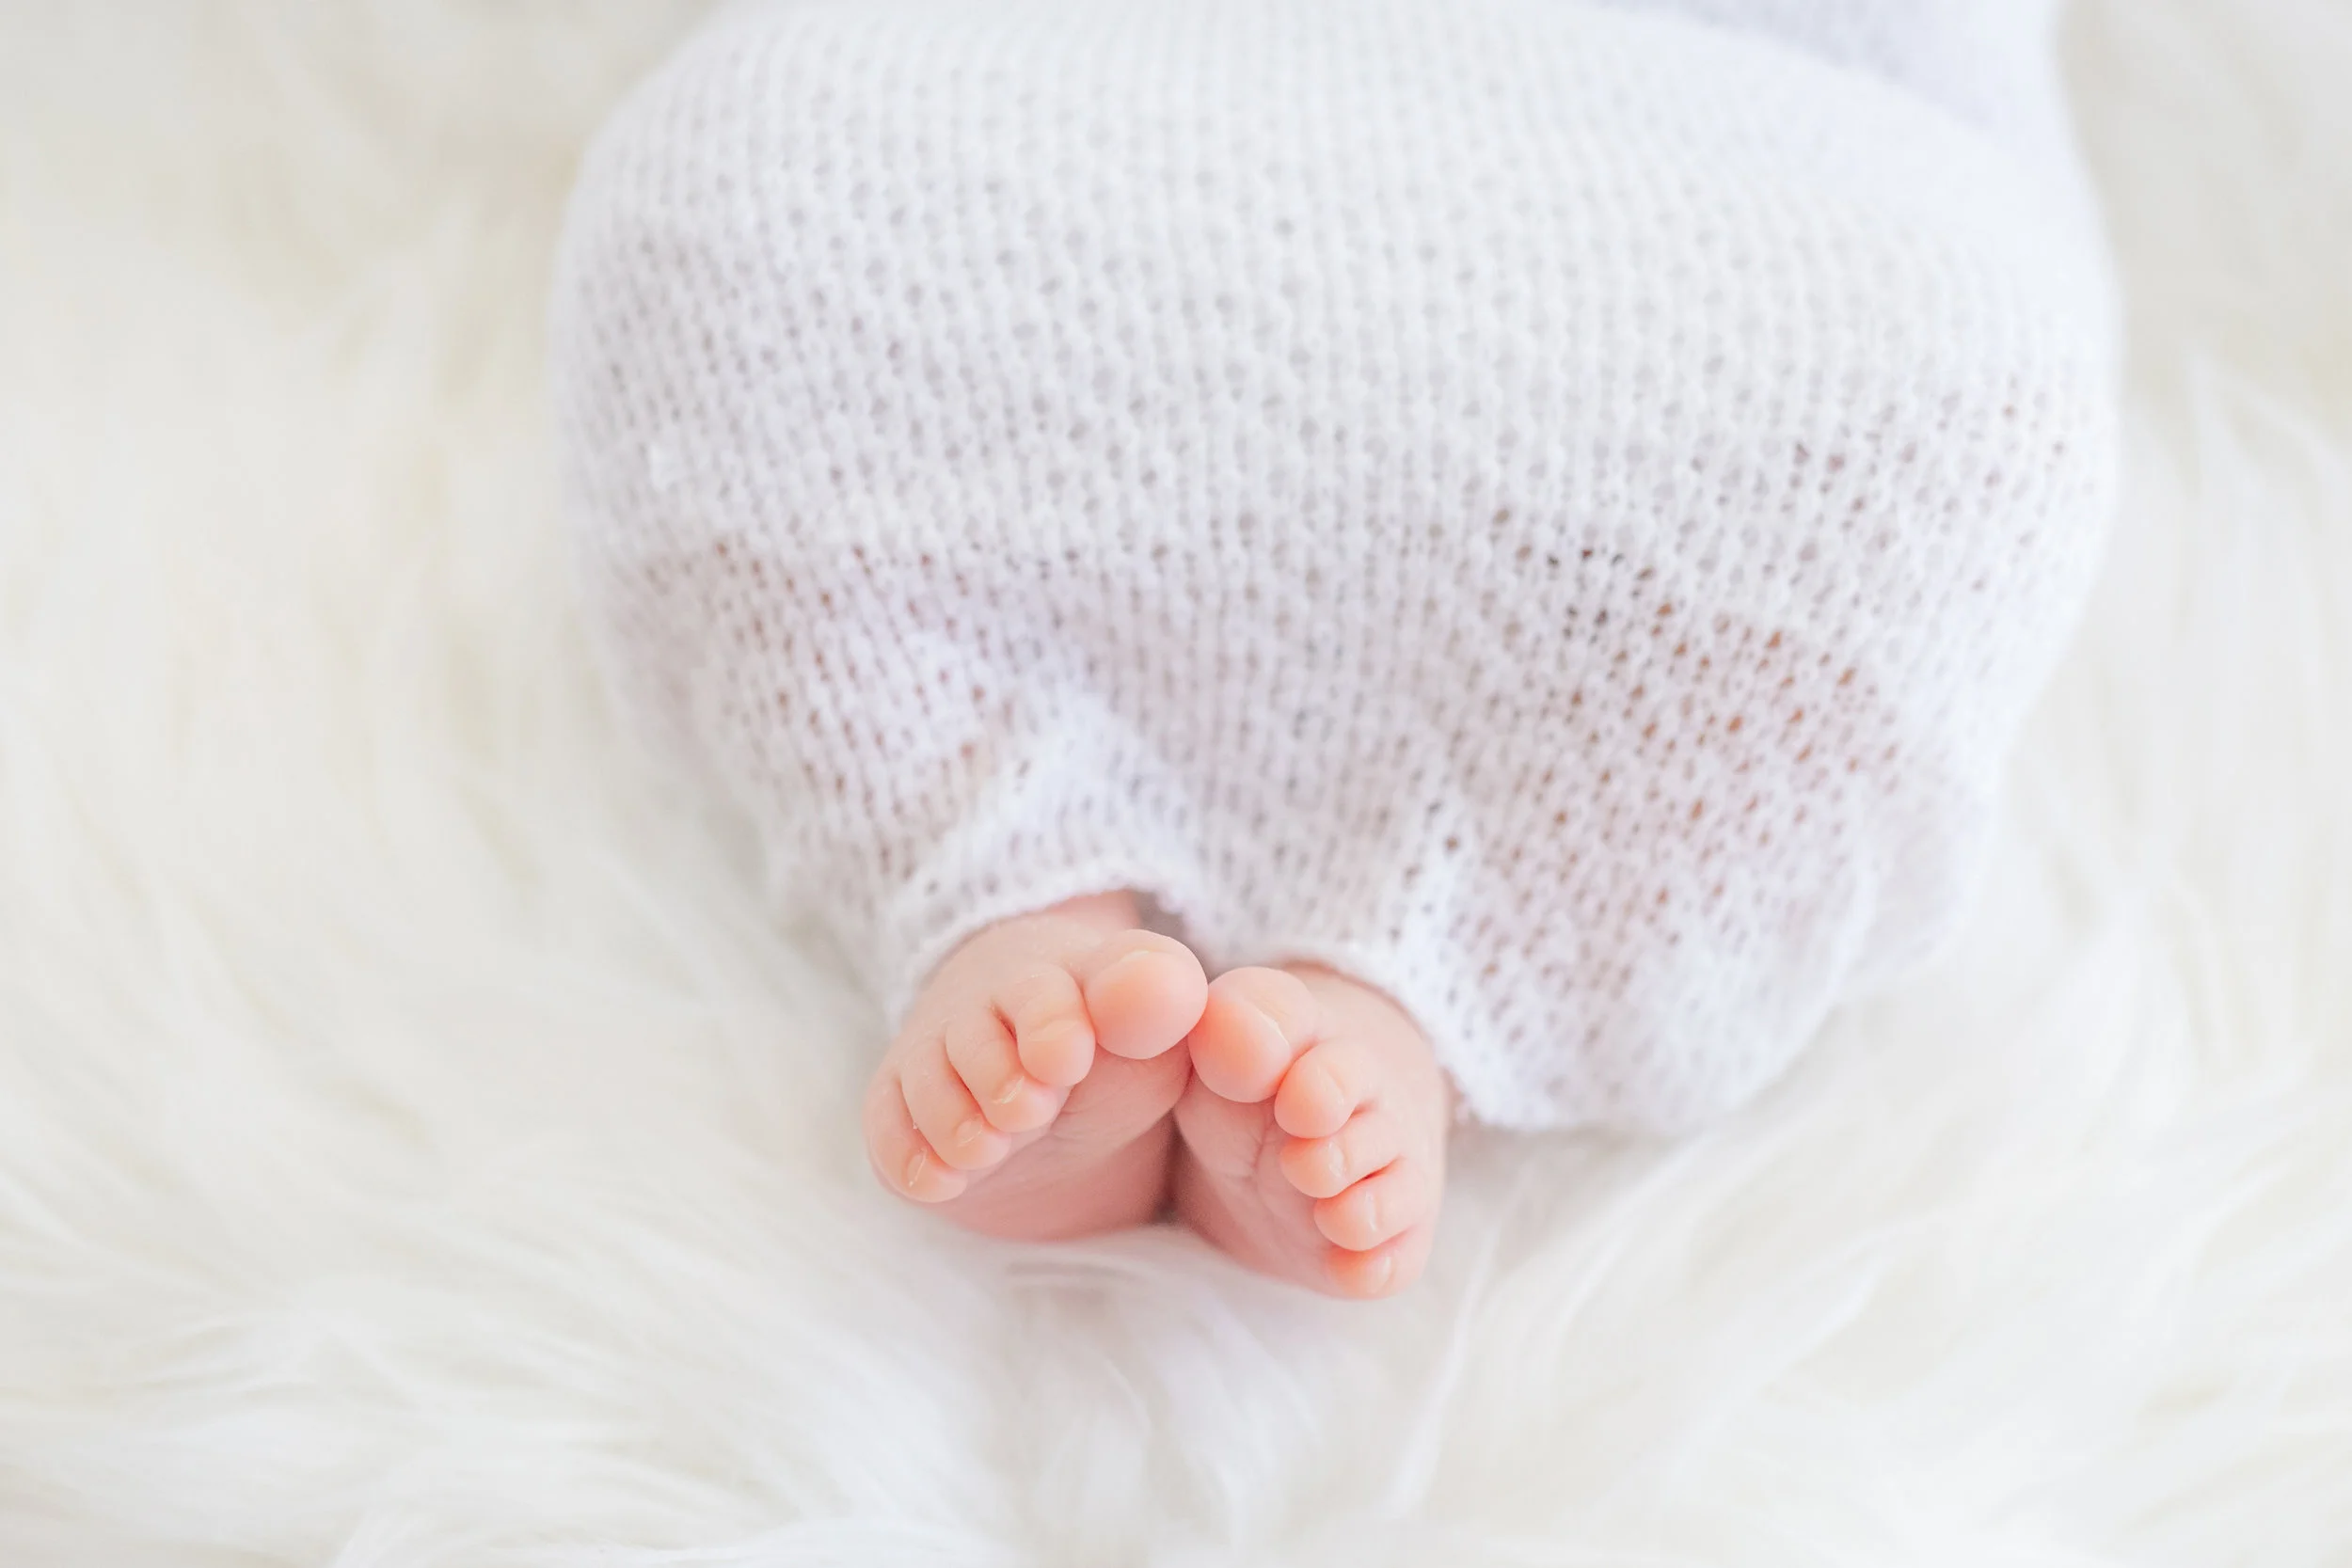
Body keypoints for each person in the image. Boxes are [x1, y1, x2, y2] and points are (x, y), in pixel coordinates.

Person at [549, 0, 2119, 1297]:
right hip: (1107, 166)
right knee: (725, 168)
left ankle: (1425, 984)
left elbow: (1963, 140)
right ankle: (1014, 885)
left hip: (1695, 238)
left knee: (1988, 388)